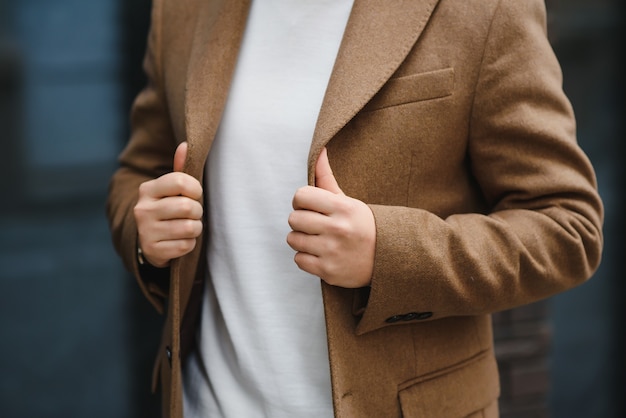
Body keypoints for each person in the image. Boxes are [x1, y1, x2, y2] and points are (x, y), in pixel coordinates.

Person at [106, 0, 604, 417]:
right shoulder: (183, 8)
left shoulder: (483, 8)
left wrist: (387, 254)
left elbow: (568, 226)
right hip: (205, 403)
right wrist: (142, 226)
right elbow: (139, 171)